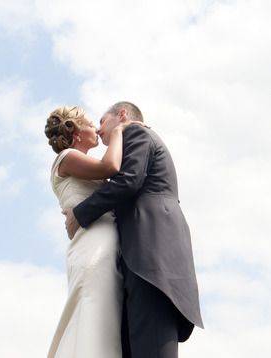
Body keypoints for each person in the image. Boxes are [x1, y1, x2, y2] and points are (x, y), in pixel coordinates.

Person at [63, 101, 204, 358]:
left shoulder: (136, 133)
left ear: (122, 116)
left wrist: (79, 214)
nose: (99, 129)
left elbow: (128, 181)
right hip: (140, 259)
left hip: (151, 257)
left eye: (103, 121)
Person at [45, 105, 143, 358]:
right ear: (76, 132)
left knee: (104, 316)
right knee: (95, 312)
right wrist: (120, 130)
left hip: (105, 243)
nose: (98, 130)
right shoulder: (66, 157)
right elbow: (110, 166)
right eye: (91, 124)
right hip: (94, 246)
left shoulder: (80, 163)